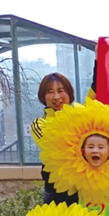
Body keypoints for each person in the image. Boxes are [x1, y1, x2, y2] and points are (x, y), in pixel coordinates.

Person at [30, 73, 78, 205]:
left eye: (61, 91)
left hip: (85, 188)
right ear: (43, 97)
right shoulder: (39, 124)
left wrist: (98, 61)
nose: (56, 97)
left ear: (69, 94)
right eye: (50, 92)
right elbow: (53, 146)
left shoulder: (81, 116)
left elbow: (96, 92)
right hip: (57, 192)